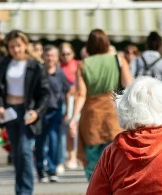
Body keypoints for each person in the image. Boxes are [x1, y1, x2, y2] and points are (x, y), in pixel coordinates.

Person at [0, 30, 51, 195]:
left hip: (27, 112)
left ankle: (25, 192)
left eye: (18, 45)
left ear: (25, 45)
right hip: (9, 111)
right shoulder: (4, 63)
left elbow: (45, 93)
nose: (16, 49)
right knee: (16, 152)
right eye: (12, 47)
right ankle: (20, 192)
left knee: (25, 151)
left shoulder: (35, 65)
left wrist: (37, 112)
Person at [71, 29, 133, 180]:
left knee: (93, 166)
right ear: (107, 43)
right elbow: (129, 85)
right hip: (114, 117)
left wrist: (73, 118)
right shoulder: (118, 60)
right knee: (115, 164)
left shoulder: (84, 64)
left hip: (91, 118)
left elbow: (81, 94)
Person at [36, 45, 70, 183]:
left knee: (54, 140)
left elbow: (67, 92)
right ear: (43, 56)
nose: (50, 58)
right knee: (40, 141)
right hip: (39, 112)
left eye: (53, 55)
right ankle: (40, 169)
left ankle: (51, 169)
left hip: (55, 111)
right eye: (48, 55)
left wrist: (67, 111)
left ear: (57, 58)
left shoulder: (60, 73)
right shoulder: (38, 72)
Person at [59, 41, 81, 171]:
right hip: (62, 101)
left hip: (76, 100)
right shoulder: (58, 67)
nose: (66, 56)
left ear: (73, 53)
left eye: (68, 53)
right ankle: (67, 156)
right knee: (65, 130)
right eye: (63, 54)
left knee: (74, 129)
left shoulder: (78, 65)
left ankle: (74, 156)